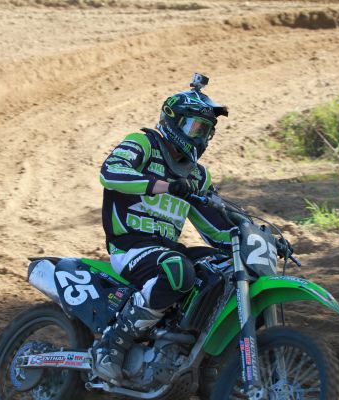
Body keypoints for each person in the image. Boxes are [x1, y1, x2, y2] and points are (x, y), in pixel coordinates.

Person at [93, 74, 233, 383]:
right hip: (130, 246)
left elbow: (216, 227)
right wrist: (164, 185)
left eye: (206, 131)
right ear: (173, 120)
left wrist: (254, 235)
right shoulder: (143, 143)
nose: (200, 137)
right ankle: (111, 345)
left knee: (225, 267)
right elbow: (110, 172)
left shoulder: (197, 175)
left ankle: (187, 347)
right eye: (195, 127)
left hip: (165, 249)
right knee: (177, 269)